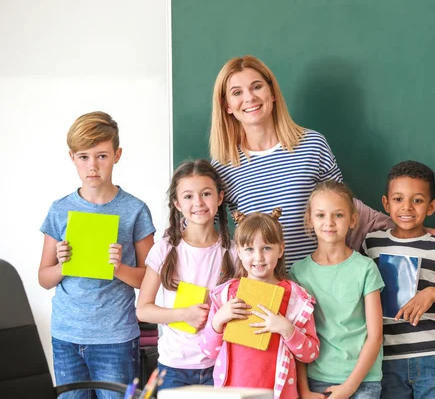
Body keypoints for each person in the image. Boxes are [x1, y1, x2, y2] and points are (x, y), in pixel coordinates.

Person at [209, 55, 435, 269]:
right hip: (264, 289)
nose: (249, 98)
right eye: (237, 92)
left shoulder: (311, 145)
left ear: (272, 93)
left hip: (321, 281)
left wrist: (409, 230)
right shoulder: (223, 164)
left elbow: (346, 208)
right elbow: (200, 228)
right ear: (227, 106)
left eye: (256, 87)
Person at [38, 111, 156, 399]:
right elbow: (44, 277)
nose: (93, 166)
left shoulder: (135, 210)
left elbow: (149, 280)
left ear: (117, 154)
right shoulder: (60, 209)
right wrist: (64, 266)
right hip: (66, 335)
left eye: (101, 156)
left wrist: (118, 269)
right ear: (72, 157)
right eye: (84, 157)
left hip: (115, 337)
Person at [361, 160, 435, 399]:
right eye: (398, 199)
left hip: (433, 357)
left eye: (417, 200)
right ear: (385, 203)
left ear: (431, 206)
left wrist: (434, 293)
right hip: (386, 358)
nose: (407, 208)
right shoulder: (371, 244)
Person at [136, 159, 236, 390]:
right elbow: (143, 309)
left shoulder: (234, 252)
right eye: (188, 196)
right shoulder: (165, 249)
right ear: (177, 203)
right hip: (174, 367)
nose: (198, 202)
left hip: (220, 364)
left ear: (220, 198)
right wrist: (184, 315)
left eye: (206, 194)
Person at [200, 209, 319, 399]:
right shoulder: (226, 295)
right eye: (249, 249)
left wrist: (288, 331)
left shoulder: (296, 299)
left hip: (277, 393)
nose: (258, 257)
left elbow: (310, 353)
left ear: (280, 249)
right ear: (238, 251)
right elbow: (207, 351)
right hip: (232, 392)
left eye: (266, 248)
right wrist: (218, 321)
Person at [290, 181, 384, 399]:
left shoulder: (365, 268)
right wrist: (304, 391)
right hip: (317, 380)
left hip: (363, 381)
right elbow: (298, 335)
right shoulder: (299, 273)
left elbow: (375, 336)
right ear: (309, 219)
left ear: (352, 220)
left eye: (338, 215)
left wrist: (349, 388)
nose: (329, 223)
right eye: (321, 215)